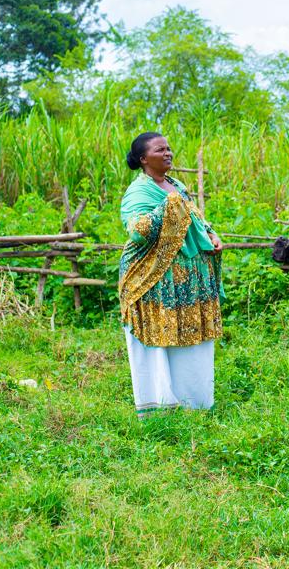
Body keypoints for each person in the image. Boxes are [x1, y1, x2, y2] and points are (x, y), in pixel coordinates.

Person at [118, 132, 224, 419]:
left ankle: (195, 404)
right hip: (152, 280)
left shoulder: (176, 185)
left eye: (168, 148)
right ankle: (159, 408)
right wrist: (169, 205)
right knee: (155, 340)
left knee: (191, 339)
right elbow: (138, 231)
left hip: (188, 280)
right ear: (143, 159)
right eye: (159, 149)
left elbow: (196, 217)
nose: (168, 153)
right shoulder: (138, 192)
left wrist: (211, 234)